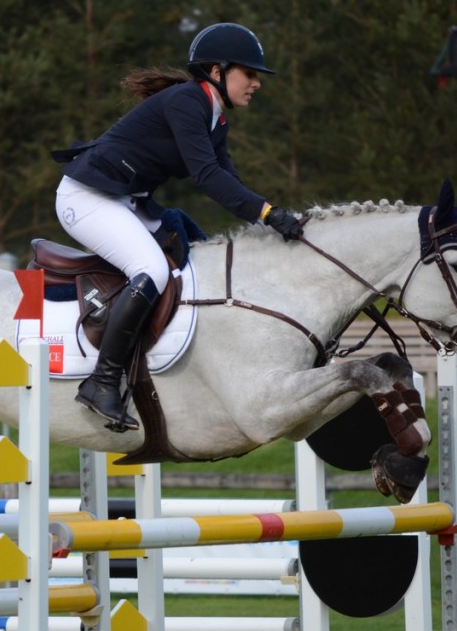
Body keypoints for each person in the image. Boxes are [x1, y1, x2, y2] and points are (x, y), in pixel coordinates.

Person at [52, 22, 303, 433]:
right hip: (86, 198)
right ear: (217, 72)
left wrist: (272, 220)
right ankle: (101, 381)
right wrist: (268, 214)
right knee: (150, 269)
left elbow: (230, 182)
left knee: (196, 252)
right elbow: (207, 177)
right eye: (250, 73)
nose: (256, 83)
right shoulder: (188, 101)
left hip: (123, 200)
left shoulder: (215, 119)